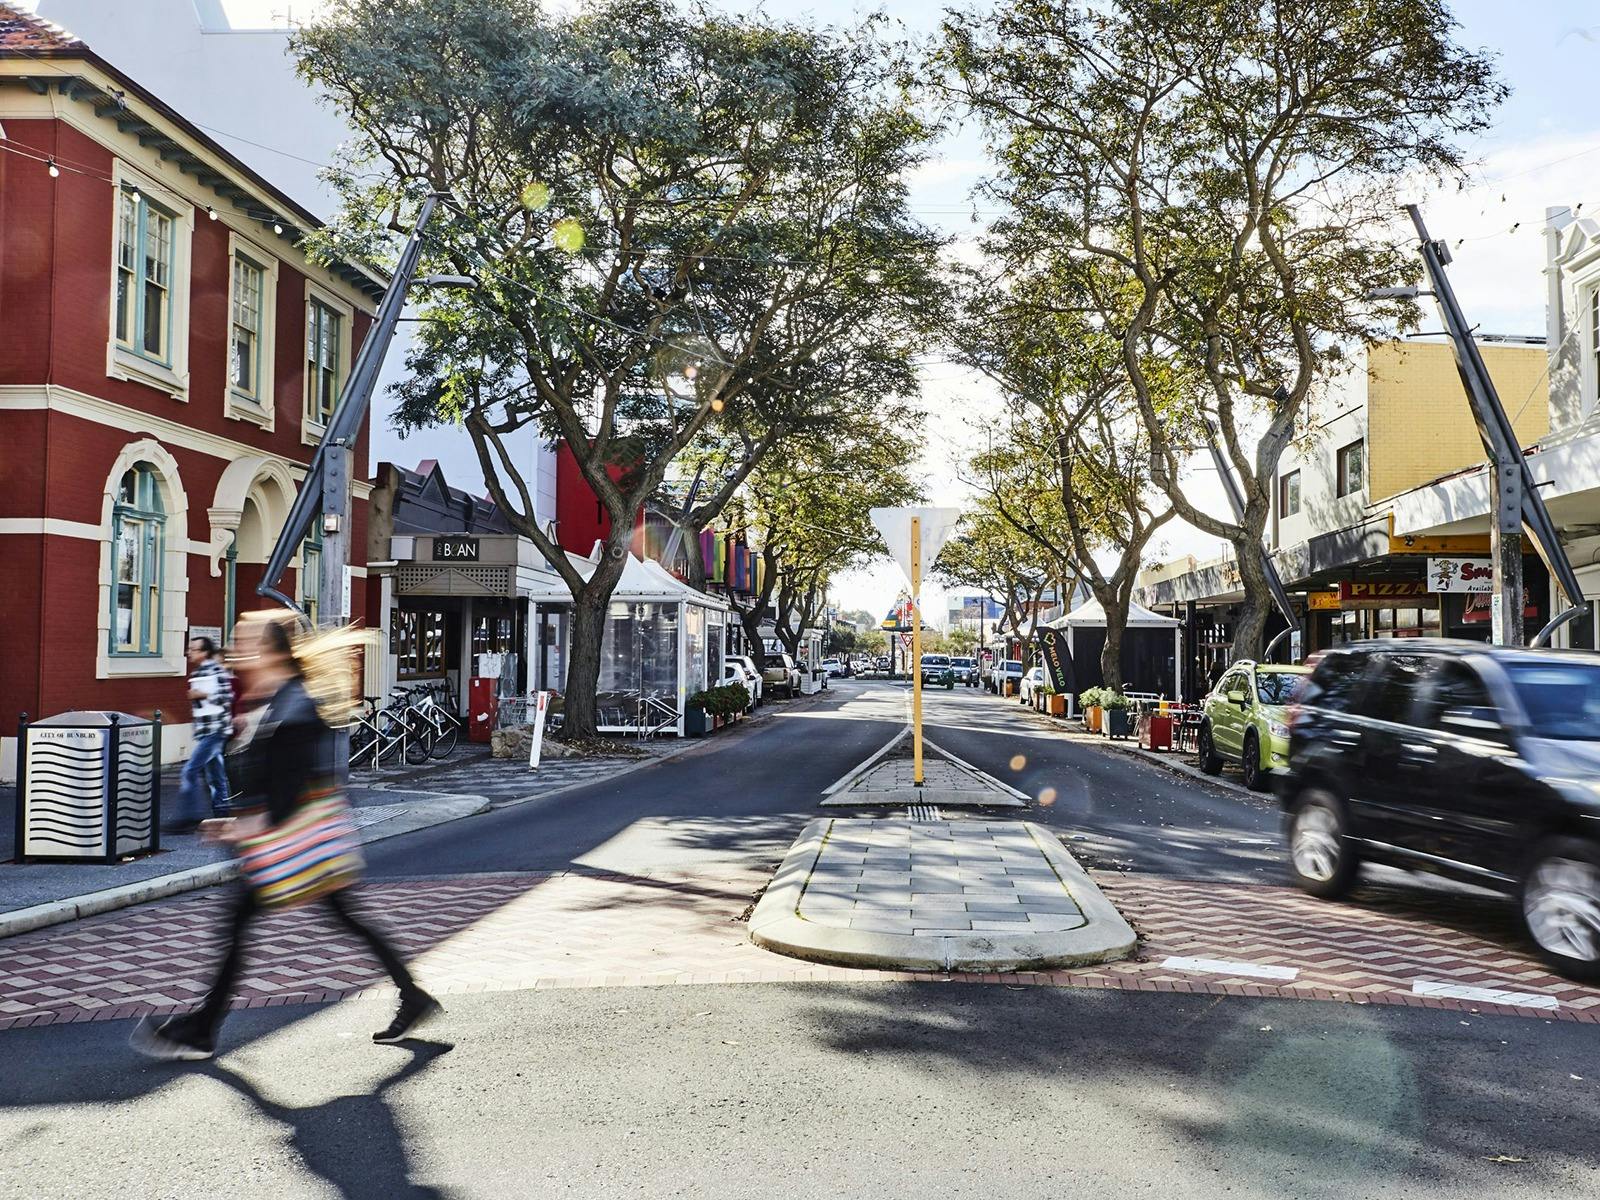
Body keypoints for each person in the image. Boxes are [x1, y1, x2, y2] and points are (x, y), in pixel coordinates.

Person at [132, 612, 440, 1061]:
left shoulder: (295, 705)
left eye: (245, 640)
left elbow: (289, 789)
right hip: (293, 840)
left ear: (271, 651)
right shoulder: (270, 698)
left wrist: (239, 825)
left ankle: (201, 1030)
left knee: (247, 922)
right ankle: (411, 995)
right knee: (332, 918)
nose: (236, 648)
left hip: (297, 841)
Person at [166, 636, 233, 833]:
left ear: (205, 652)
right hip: (206, 731)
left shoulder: (215, 670)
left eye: (194, 649)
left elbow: (226, 697)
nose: (189, 652)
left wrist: (202, 694)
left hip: (215, 730)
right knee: (216, 775)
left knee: (189, 771)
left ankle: (190, 817)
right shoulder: (199, 672)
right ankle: (222, 814)